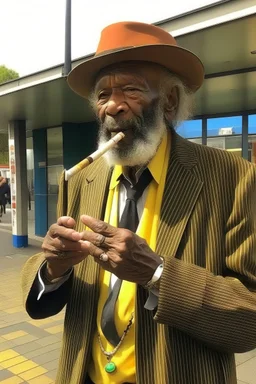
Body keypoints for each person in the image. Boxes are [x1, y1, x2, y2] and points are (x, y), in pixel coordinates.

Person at [21, 21, 256, 384]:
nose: (113, 106)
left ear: (170, 101)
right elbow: (49, 279)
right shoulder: (81, 179)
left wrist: (156, 273)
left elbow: (250, 316)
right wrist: (54, 268)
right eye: (102, 95)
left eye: (131, 89)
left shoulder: (233, 178)